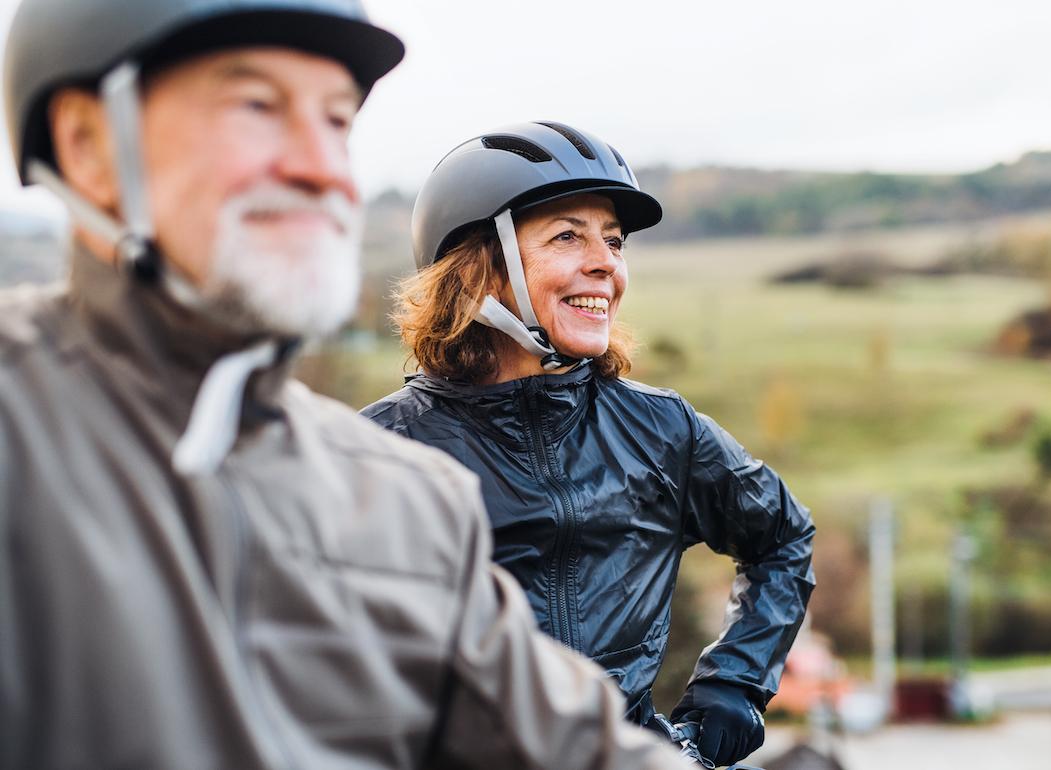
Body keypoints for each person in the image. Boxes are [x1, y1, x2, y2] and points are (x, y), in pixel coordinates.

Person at [0, 4, 687, 768]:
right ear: (89, 144)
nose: (322, 168)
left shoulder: (408, 502)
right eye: (257, 106)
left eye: (336, 123)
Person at [363, 121, 817, 767]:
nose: (606, 264)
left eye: (613, 240)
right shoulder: (376, 454)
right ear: (479, 269)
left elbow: (784, 537)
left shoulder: (664, 432)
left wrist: (734, 686)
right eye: (568, 236)